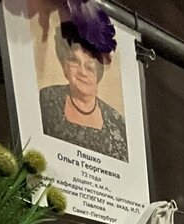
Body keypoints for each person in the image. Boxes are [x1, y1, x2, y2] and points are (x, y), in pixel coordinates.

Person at [39, 23, 128, 162]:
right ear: (64, 66)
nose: (82, 72)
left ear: (98, 74)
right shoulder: (46, 99)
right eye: (74, 61)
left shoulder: (118, 123)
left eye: (89, 67)